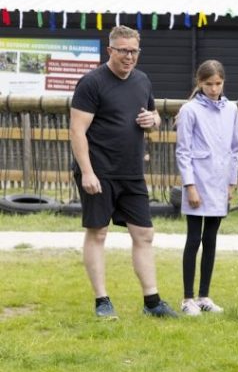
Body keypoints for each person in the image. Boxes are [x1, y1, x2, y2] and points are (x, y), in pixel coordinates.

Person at [69, 25, 177, 319]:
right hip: (99, 171)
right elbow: (77, 131)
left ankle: (152, 302)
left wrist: (152, 120)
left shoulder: (142, 80)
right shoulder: (91, 83)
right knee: (98, 233)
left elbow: (153, 114)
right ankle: (102, 301)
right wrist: (87, 172)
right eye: (123, 51)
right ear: (110, 51)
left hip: (131, 172)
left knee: (144, 234)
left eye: (134, 51)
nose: (129, 57)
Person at [175, 60, 238, 315]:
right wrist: (189, 185)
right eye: (209, 84)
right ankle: (187, 297)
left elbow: (235, 149)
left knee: (211, 240)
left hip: (220, 182)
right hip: (198, 182)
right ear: (199, 83)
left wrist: (231, 182)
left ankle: (204, 295)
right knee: (194, 239)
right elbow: (183, 151)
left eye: (218, 83)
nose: (214, 89)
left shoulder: (231, 109)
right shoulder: (190, 110)